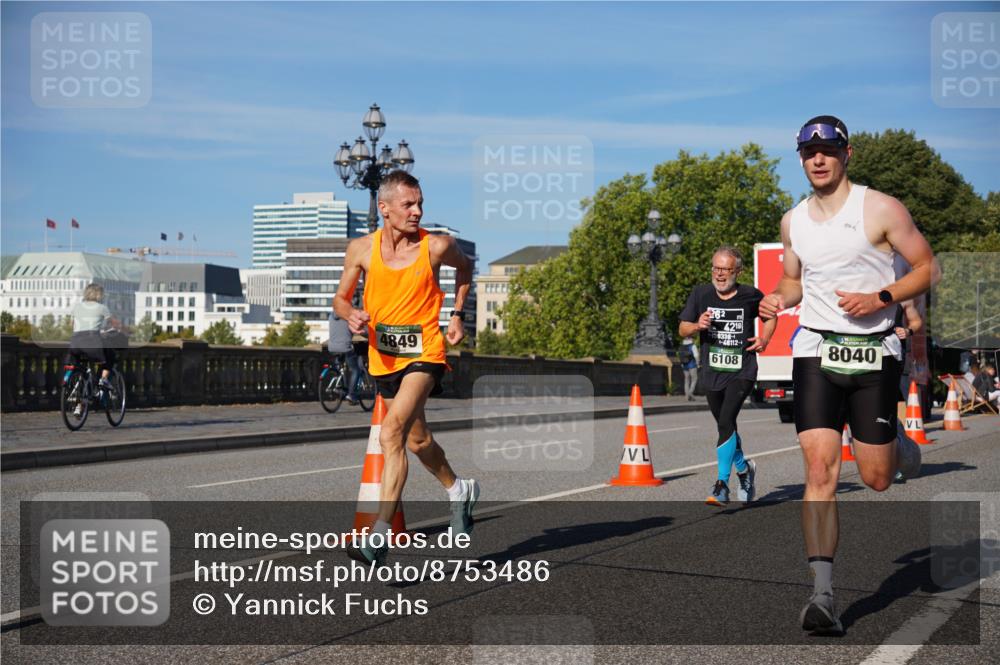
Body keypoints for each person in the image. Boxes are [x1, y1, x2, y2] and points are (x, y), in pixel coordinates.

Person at [759, 116, 938, 635]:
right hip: (815, 350)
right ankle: (822, 595)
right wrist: (776, 299)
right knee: (820, 472)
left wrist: (880, 297)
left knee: (877, 478)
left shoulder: (880, 208)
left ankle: (896, 444)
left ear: (846, 154)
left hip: (874, 352)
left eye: (829, 150)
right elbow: (793, 280)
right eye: (808, 152)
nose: (818, 159)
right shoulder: (793, 221)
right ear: (800, 158)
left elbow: (927, 267)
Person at [333, 170, 478, 566]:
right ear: (384, 208)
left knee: (391, 433)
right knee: (417, 442)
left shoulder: (437, 246)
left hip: (425, 352)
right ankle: (459, 490)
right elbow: (340, 299)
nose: (417, 212)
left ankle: (378, 536)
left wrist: (457, 315)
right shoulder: (361, 249)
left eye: (420, 204)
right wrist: (350, 314)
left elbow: (466, 267)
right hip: (383, 357)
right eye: (408, 205)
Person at [679, 245, 776, 506]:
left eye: (725, 269)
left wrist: (765, 339)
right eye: (716, 268)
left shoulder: (751, 295)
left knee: (726, 420)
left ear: (738, 271)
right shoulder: (701, 294)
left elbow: (771, 317)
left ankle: (722, 484)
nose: (719, 274)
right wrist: (697, 325)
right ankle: (744, 469)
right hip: (712, 371)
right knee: (725, 425)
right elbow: (682, 328)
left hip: (742, 370)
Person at [67, 283, 121, 414]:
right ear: (98, 294)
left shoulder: (77, 307)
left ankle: (79, 405)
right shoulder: (102, 308)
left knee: (82, 372)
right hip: (92, 342)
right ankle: (104, 379)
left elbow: (71, 325)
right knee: (110, 355)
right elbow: (114, 323)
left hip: (75, 344)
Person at [327, 310, 362, 405]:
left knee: (341, 369)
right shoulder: (348, 317)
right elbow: (358, 330)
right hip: (345, 347)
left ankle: (340, 386)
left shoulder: (331, 316)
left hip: (332, 348)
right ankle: (351, 394)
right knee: (355, 370)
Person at [679, 336, 699, 401]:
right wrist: (698, 363)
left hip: (684, 364)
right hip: (692, 364)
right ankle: (690, 393)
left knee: (686, 380)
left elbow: (680, 355)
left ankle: (687, 396)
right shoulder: (692, 346)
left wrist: (682, 363)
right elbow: (696, 356)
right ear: (690, 338)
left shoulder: (682, 345)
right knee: (694, 379)